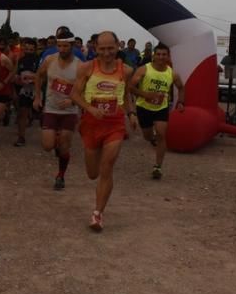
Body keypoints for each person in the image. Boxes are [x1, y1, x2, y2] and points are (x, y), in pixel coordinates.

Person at [70, 31, 138, 231]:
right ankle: (96, 165)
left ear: (118, 46)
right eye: (102, 49)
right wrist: (90, 108)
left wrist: (131, 113)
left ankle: (98, 214)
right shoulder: (86, 68)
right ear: (95, 48)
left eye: (111, 48)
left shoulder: (126, 70)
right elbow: (75, 94)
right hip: (91, 124)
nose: (107, 53)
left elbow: (124, 95)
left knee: (107, 168)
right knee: (93, 173)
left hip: (114, 124)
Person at [129, 42, 185, 179]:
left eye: (164, 54)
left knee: (161, 134)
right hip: (144, 107)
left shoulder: (172, 74)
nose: (161, 57)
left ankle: (158, 167)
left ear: (168, 56)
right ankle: (152, 138)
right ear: (154, 56)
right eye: (158, 54)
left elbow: (181, 87)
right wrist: (146, 95)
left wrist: (181, 102)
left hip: (161, 108)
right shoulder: (144, 70)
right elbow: (130, 87)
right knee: (147, 136)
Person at [33, 32, 80, 189]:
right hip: (51, 108)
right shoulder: (50, 60)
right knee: (47, 146)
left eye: (65, 46)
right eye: (59, 45)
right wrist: (37, 97)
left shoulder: (80, 65)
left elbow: (86, 88)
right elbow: (38, 76)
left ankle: (60, 175)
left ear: (72, 46)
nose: (62, 49)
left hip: (69, 111)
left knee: (65, 145)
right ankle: (57, 142)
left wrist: (72, 99)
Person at [14, 37, 39, 147]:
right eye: (26, 49)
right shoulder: (21, 60)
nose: (28, 52)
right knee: (22, 112)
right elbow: (17, 75)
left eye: (31, 50)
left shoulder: (40, 60)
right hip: (24, 90)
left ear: (35, 49)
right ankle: (21, 137)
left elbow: (43, 77)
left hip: (36, 91)